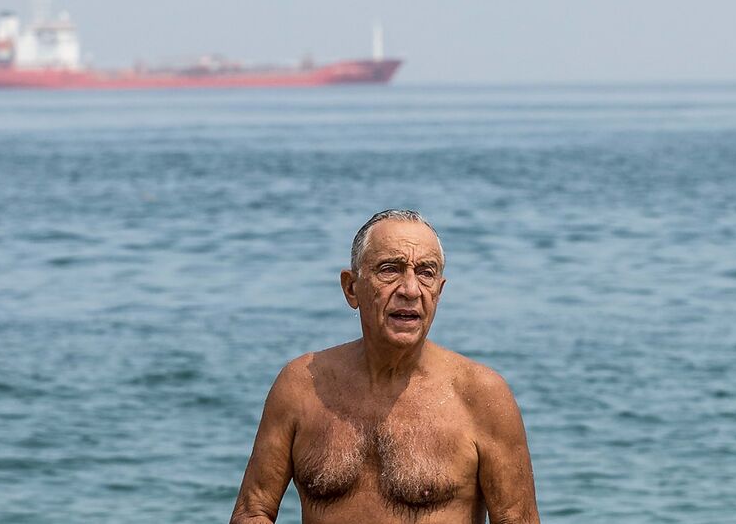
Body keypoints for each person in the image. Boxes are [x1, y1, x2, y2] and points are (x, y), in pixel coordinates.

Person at [230, 209, 540, 524]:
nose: (410, 289)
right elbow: (253, 511)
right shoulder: (301, 386)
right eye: (390, 269)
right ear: (351, 288)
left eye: (425, 272)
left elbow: (518, 519)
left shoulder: (481, 394)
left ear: (438, 292)